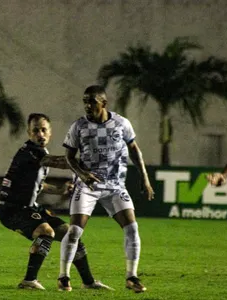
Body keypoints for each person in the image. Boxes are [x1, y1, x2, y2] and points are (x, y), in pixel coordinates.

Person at [0, 113, 113, 291]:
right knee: (45, 231)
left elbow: (37, 184)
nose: (40, 134)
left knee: (71, 234)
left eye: (44, 130)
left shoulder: (39, 153)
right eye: (35, 130)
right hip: (12, 210)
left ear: (50, 133)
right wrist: (87, 160)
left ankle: (88, 282)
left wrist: (59, 190)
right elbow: (59, 162)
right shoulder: (30, 151)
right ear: (29, 133)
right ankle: (29, 280)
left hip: (29, 208)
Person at [57, 85, 154, 293]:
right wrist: (83, 175)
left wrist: (145, 178)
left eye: (91, 101)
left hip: (115, 186)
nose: (87, 105)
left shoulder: (121, 123)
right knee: (74, 230)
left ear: (104, 103)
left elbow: (134, 150)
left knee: (132, 228)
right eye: (85, 101)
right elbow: (69, 158)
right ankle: (63, 276)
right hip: (88, 185)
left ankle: (131, 277)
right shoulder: (79, 126)